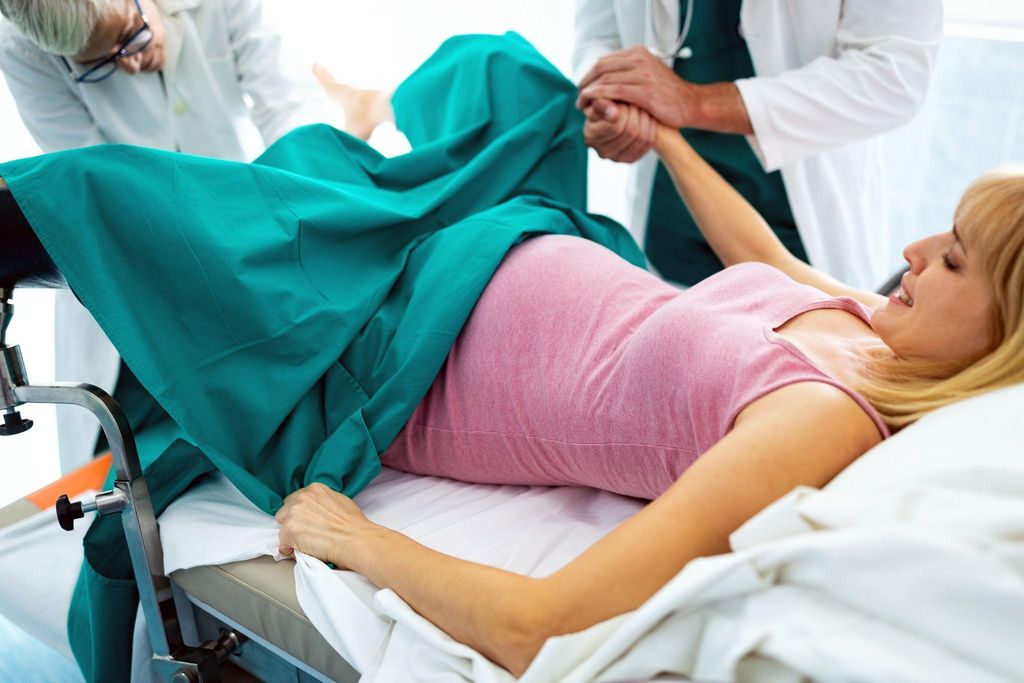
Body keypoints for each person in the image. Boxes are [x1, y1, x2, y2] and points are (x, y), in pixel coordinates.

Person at [274, 122, 1024, 675]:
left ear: (1004, 339)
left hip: (417, 349)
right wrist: (667, 138)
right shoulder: (886, 335)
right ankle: (368, 112)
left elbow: (540, 625)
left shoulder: (823, 420)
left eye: (953, 258)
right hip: (486, 250)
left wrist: (356, 539)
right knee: (508, 77)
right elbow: (768, 258)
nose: (913, 252)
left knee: (198, 205)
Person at [0, 0, 332, 473]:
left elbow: (290, 106)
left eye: (130, 35)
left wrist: (294, 210)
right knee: (129, 470)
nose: (129, 61)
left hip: (247, 244)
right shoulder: (22, 50)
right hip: (134, 286)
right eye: (98, 65)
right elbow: (102, 191)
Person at [572, 0, 943, 290]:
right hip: (671, 224)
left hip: (800, 226)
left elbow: (894, 75)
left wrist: (690, 102)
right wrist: (613, 103)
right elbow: (598, 39)